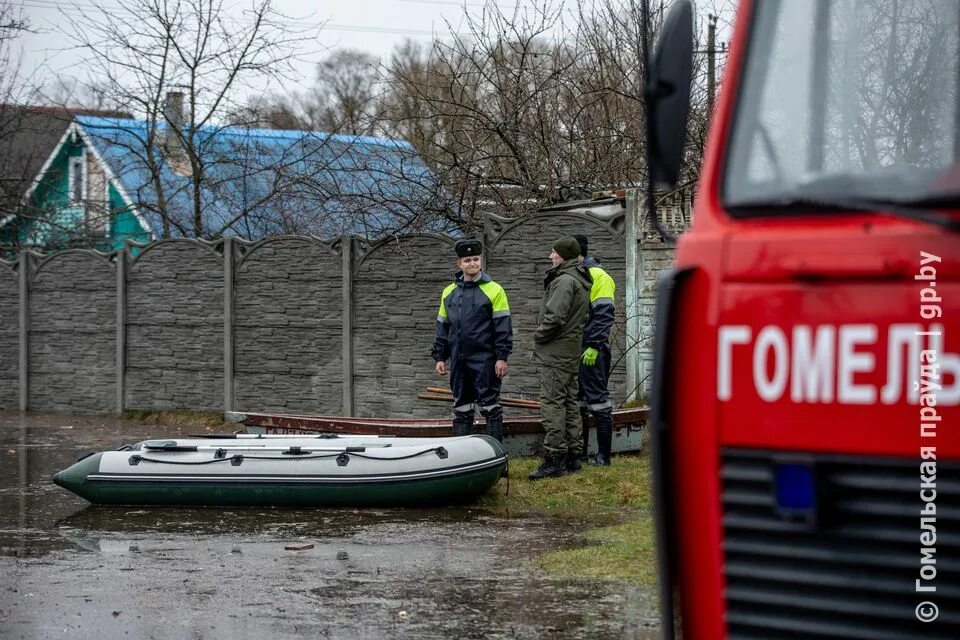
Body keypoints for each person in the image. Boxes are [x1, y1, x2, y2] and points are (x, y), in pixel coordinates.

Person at [431, 239, 512, 442]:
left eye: (476, 259)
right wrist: (440, 357)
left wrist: (502, 357)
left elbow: (503, 328)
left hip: (485, 359)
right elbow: (443, 327)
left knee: (490, 407)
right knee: (461, 408)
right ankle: (461, 457)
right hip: (459, 360)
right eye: (467, 260)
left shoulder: (495, 290)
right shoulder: (448, 292)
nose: (472, 264)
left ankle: (497, 458)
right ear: (459, 263)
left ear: (481, 261)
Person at [528, 236, 592, 480]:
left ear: (563, 255)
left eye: (553, 252)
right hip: (570, 349)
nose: (550, 256)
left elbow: (555, 317)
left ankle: (554, 459)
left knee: (553, 403)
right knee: (570, 402)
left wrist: (539, 335)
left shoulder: (564, 281)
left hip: (556, 351)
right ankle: (574, 456)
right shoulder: (580, 278)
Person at [572, 234, 617, 466]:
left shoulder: (599, 277)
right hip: (575, 348)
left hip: (592, 349)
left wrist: (592, 346)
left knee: (598, 401)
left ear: (578, 255)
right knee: (579, 400)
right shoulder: (575, 276)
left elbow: (604, 315)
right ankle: (581, 452)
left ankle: (603, 456)